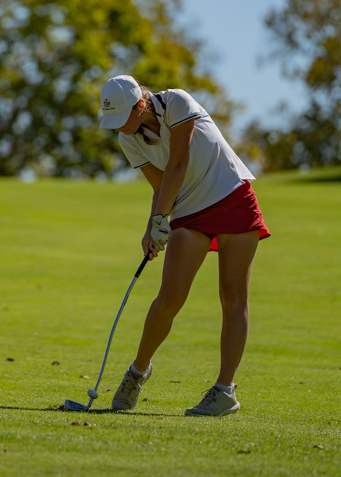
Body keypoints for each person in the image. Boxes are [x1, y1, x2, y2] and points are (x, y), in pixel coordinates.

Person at [98, 74, 270, 417]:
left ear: (140, 104)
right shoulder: (128, 139)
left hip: (233, 197)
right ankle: (137, 373)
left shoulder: (177, 102)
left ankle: (224, 392)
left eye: (123, 117)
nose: (119, 126)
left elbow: (178, 163)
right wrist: (152, 227)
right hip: (190, 212)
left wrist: (161, 219)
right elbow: (161, 185)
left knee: (233, 297)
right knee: (169, 299)